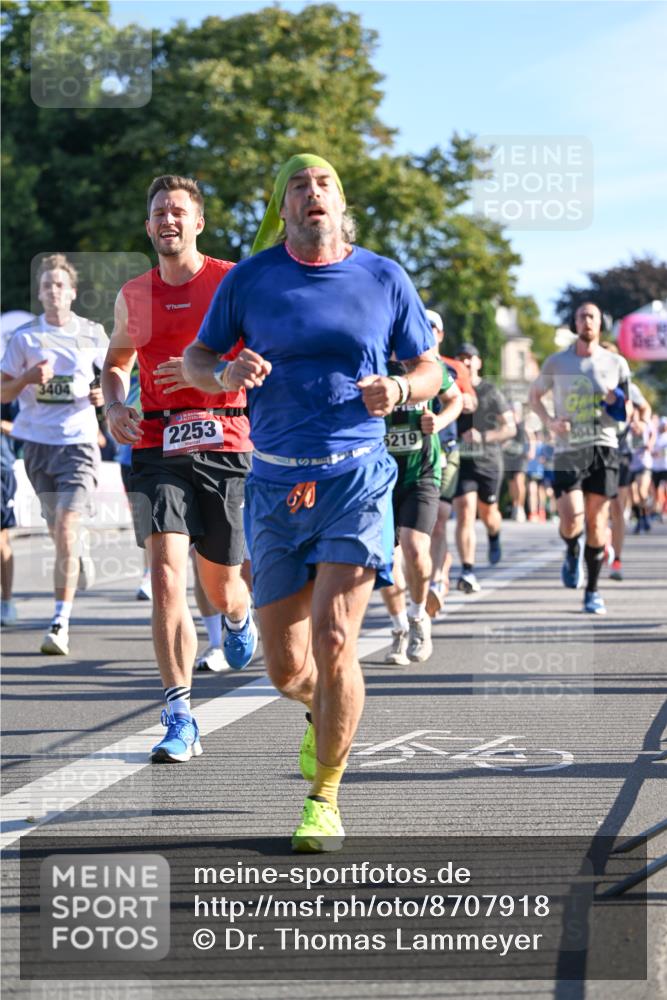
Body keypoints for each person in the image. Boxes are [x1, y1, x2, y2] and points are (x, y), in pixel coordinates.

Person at [184, 153, 442, 852]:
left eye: (323, 183)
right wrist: (226, 372)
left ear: (339, 199)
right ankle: (319, 713)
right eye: (298, 186)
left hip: (355, 478)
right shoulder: (249, 279)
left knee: (334, 641)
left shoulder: (382, 276)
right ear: (284, 206)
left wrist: (403, 390)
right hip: (272, 484)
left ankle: (323, 796)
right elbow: (197, 360)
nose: (312, 193)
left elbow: (430, 365)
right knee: (286, 668)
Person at [102, 174, 256, 764]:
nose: (168, 219)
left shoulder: (230, 282)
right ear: (149, 227)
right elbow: (116, 363)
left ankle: (240, 616)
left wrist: (212, 375)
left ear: (198, 223)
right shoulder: (133, 295)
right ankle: (179, 714)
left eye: (178, 211)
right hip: (154, 442)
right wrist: (116, 403)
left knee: (219, 585)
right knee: (166, 574)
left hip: (224, 437)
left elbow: (258, 355)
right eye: (159, 212)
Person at [0, 255, 107, 653]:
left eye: (60, 285)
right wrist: (27, 378)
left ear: (73, 292)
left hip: (79, 441)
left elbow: (117, 374)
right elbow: (3, 391)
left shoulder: (92, 332)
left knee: (64, 525)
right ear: (40, 292)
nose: (54, 291)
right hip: (37, 444)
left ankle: (59, 621)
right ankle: (77, 554)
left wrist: (102, 394)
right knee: (56, 528)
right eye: (47, 285)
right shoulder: (24, 338)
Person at [529, 302, 631, 614]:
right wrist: (550, 422)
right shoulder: (558, 362)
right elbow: (534, 396)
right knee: (571, 516)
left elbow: (626, 411)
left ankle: (593, 591)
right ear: (575, 323)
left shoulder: (616, 363)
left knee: (597, 522)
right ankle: (572, 550)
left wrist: (619, 404)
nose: (586, 321)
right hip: (568, 448)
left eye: (592, 317)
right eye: (581, 317)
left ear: (601, 324)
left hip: (603, 446)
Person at [381, 348, 461, 664]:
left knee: (415, 549)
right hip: (382, 477)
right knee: (386, 559)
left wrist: (439, 421)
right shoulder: (375, 364)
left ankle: (417, 616)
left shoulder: (430, 367)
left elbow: (455, 399)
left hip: (422, 474)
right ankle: (398, 625)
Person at [422, 310, 477, 618]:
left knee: (441, 516)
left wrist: (466, 401)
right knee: (420, 526)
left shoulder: (453, 368)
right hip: (414, 451)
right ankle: (437, 566)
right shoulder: (403, 363)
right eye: (422, 326)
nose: (427, 332)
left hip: (447, 447)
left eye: (432, 328)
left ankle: (434, 581)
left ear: (440, 335)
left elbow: (469, 400)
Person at [453, 343, 516, 593]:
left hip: (489, 461)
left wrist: (484, 436)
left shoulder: (491, 391)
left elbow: (509, 428)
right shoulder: (451, 389)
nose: (466, 363)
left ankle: (493, 534)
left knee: (489, 513)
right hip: (462, 461)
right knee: (466, 511)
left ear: (479, 362)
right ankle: (467, 570)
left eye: (470, 358)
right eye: (461, 358)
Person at [0, 402, 18, 625]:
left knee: (1, 537)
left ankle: (7, 601)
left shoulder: (6, 380)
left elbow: (24, 425)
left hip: (1, 468)